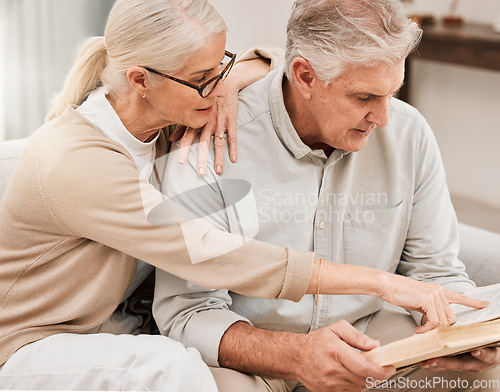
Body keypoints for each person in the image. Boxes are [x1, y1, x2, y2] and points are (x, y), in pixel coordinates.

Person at [0, 0, 408, 389]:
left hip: (103, 335)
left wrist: (237, 75)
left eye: (220, 68)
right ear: (141, 80)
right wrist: (378, 282)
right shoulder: (79, 161)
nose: (217, 92)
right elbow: (212, 252)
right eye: (202, 80)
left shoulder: (161, 128)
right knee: (167, 367)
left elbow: (296, 67)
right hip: (27, 347)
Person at [153, 0, 500, 391]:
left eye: (391, 94)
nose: (384, 118)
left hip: (370, 337)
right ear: (305, 76)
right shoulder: (210, 144)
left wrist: (472, 334)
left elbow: (435, 272)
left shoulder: (408, 133)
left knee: (483, 377)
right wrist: (295, 355)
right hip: (255, 354)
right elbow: (188, 313)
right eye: (364, 98)